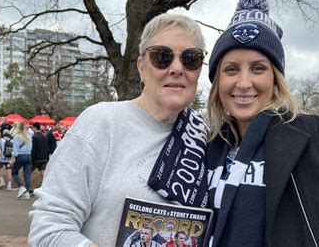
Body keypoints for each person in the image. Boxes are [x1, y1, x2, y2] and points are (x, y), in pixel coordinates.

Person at [204, 0, 319, 246]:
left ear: (276, 78)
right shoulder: (208, 144)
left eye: (258, 68)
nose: (244, 83)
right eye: (231, 69)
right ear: (218, 81)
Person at [29, 13, 206, 246]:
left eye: (190, 58)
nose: (176, 68)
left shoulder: (206, 135)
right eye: (162, 57)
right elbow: (48, 229)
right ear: (142, 67)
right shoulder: (101, 123)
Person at [10, 122, 32, 200]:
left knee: (14, 172)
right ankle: (28, 191)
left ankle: (22, 188)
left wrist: (12, 159)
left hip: (20, 156)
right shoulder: (29, 137)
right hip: (28, 156)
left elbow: (15, 151)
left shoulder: (16, 137)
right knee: (27, 174)